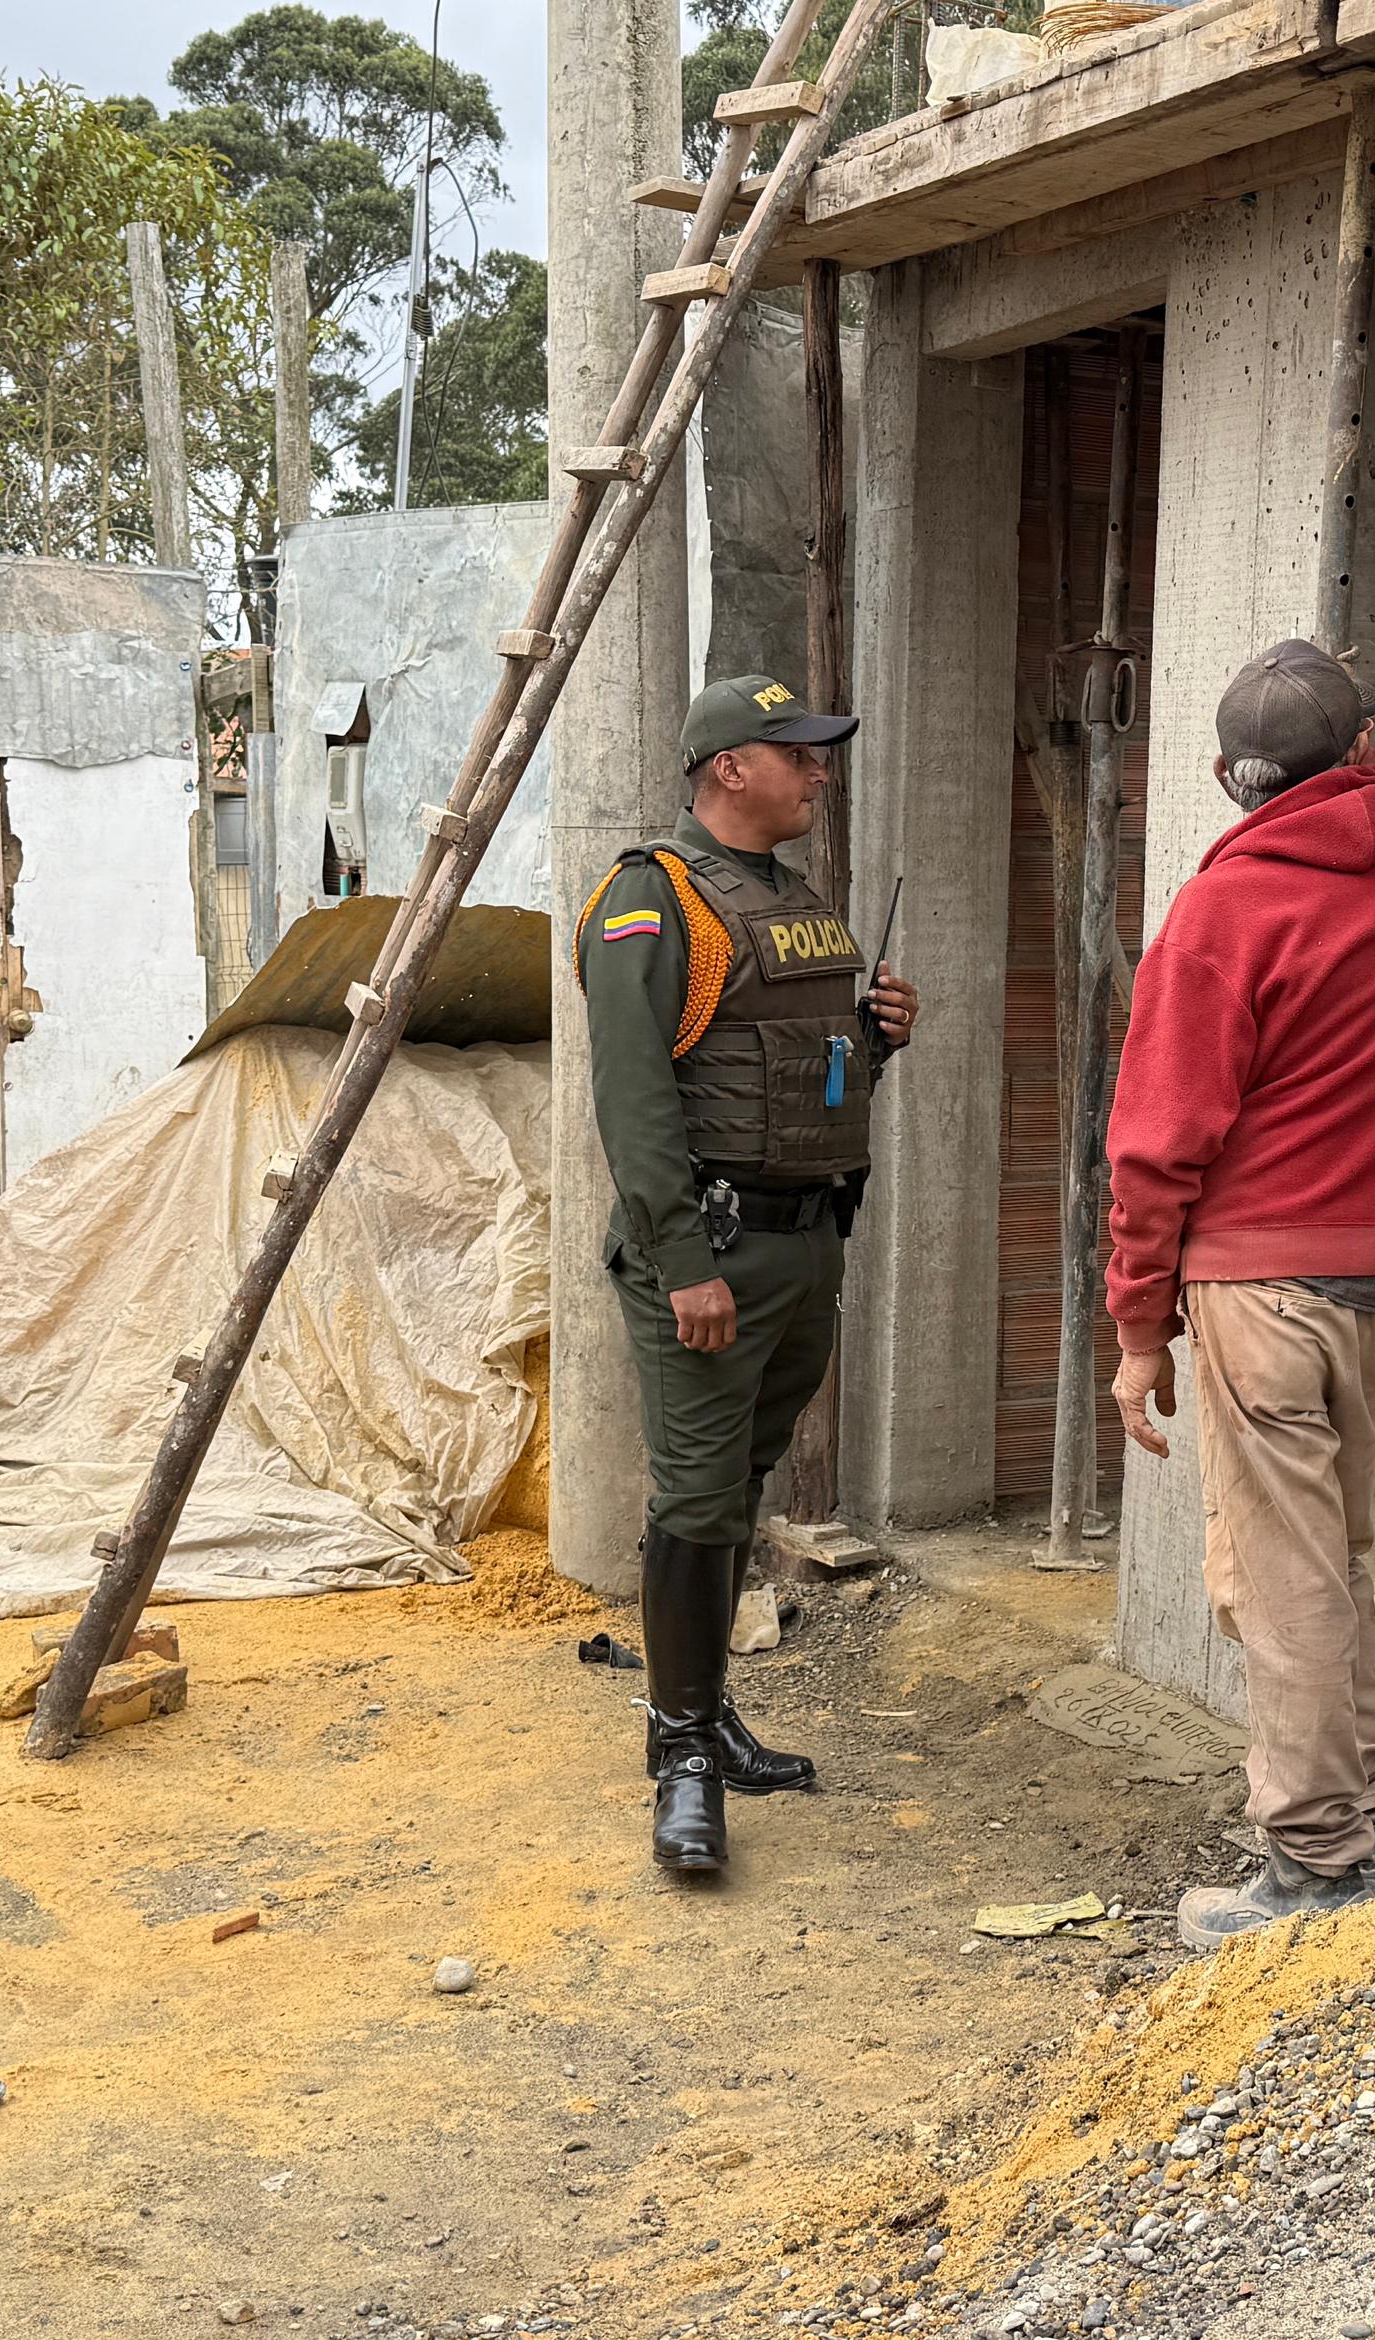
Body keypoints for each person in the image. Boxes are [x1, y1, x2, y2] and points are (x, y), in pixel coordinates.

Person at [1103, 638, 1375, 1949]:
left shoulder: (1226, 910)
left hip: (1263, 1284)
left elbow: (1156, 1140)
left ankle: (1311, 1861)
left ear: (1224, 776)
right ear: (1361, 753)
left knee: (1277, 1576)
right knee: (1336, 1555)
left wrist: (1138, 1326)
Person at [573, 674, 918, 1875]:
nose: (818, 773)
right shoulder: (647, 901)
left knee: (740, 1487)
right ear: (730, 766)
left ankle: (709, 1713)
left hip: (801, 1241)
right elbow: (634, 1101)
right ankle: (679, 1758)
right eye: (798, 755)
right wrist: (681, 1268)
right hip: (709, 1253)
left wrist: (868, 1041)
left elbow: (797, 1082)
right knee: (697, 1499)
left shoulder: (791, 903)